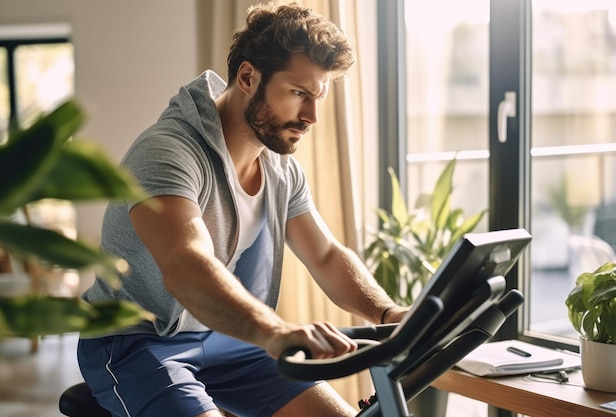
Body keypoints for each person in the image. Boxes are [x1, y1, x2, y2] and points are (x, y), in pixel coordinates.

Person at [77, 3, 408, 417]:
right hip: (137, 342)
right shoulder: (167, 153)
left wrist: (387, 312)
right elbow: (185, 263)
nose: (311, 117)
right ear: (248, 77)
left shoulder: (279, 166)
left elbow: (325, 255)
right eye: (299, 94)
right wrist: (274, 330)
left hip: (230, 340)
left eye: (317, 97)